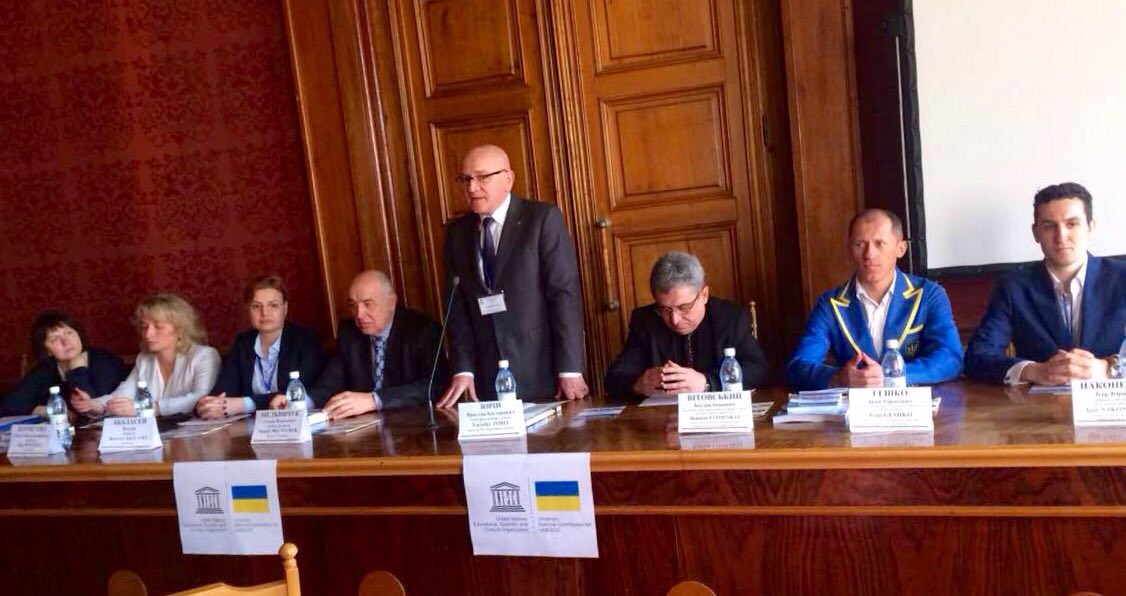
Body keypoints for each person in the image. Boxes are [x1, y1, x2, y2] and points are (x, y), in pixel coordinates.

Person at [436, 144, 587, 407]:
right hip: (485, 378)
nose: (472, 188)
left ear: (508, 178)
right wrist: (463, 369)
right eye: (465, 179)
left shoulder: (540, 219)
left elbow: (564, 294)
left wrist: (569, 369)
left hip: (541, 369)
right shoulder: (457, 233)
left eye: (482, 177)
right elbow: (456, 309)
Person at [965, 182, 1126, 384]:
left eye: (1072, 224)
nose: (1061, 237)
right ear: (1036, 233)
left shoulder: (1122, 278)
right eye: (1049, 226)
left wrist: (1110, 368)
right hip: (1040, 402)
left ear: (1090, 227)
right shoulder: (1013, 287)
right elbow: (977, 358)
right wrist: (1034, 371)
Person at [786, 208, 962, 390]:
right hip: (854, 405)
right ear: (849, 250)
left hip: (916, 404)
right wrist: (839, 378)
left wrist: (893, 374)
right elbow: (798, 366)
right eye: (860, 244)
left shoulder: (929, 294)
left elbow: (951, 358)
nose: (869, 254)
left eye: (880, 244)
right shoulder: (830, 304)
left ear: (901, 249)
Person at [281, 270, 444, 420]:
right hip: (365, 427)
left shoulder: (422, 330)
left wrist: (375, 400)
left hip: (413, 424)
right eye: (353, 305)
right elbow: (331, 381)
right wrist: (303, 401)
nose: (359, 315)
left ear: (391, 302)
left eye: (368, 304)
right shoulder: (349, 332)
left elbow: (433, 386)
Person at [605, 252, 768, 398]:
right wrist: (638, 385)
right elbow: (614, 378)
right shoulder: (645, 321)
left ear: (704, 295)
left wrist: (707, 382)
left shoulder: (730, 318)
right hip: (662, 418)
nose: (675, 319)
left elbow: (759, 371)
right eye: (665, 309)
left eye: (684, 307)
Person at [195, 276, 325, 420]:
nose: (265, 313)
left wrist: (245, 404)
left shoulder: (305, 340)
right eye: (256, 306)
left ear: (285, 308)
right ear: (248, 310)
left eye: (273, 305)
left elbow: (300, 393)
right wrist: (208, 405)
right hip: (252, 426)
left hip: (294, 423)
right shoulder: (243, 343)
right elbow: (223, 392)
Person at [71, 294, 220, 417]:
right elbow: (124, 393)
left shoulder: (205, 356)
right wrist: (95, 405)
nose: (148, 334)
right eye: (144, 326)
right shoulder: (145, 359)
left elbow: (200, 398)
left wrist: (147, 408)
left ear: (180, 329)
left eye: (158, 326)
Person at [1, 311, 126, 417]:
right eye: (54, 339)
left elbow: (88, 410)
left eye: (69, 333)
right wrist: (45, 411)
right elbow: (7, 405)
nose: (66, 342)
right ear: (47, 350)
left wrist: (77, 368)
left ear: (78, 334)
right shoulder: (45, 370)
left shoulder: (105, 362)